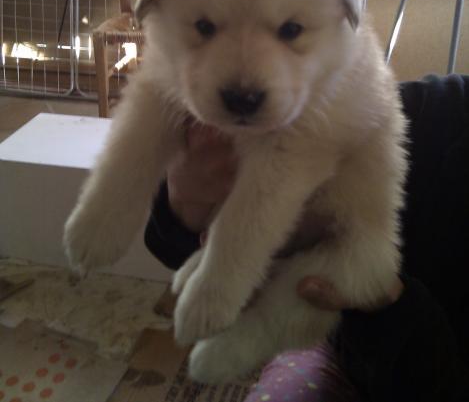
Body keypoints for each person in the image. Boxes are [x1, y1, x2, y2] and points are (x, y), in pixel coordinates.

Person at [144, 74, 469, 402]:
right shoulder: (443, 110)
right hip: (352, 340)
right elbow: (170, 240)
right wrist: (184, 204)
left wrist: (392, 307)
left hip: (410, 359)